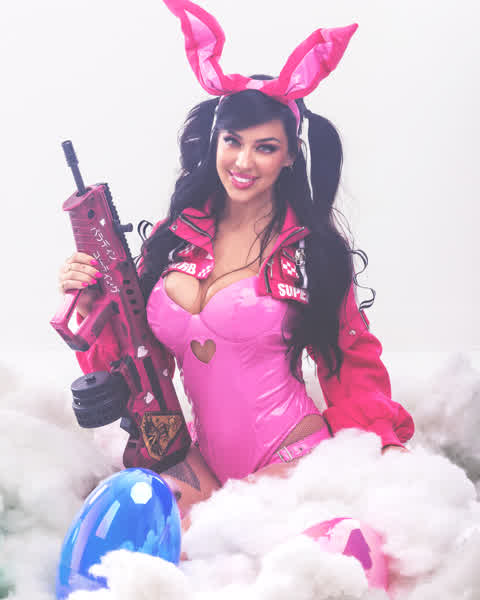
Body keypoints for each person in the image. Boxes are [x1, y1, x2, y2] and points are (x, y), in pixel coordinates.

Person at [57, 0, 413, 589]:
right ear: (214, 143)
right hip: (195, 463)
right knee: (123, 547)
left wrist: (382, 445)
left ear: (290, 154)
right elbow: (138, 360)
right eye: (232, 141)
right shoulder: (174, 239)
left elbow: (351, 363)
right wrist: (94, 304)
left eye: (265, 147)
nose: (243, 162)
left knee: (264, 575)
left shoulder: (313, 253)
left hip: (291, 466)